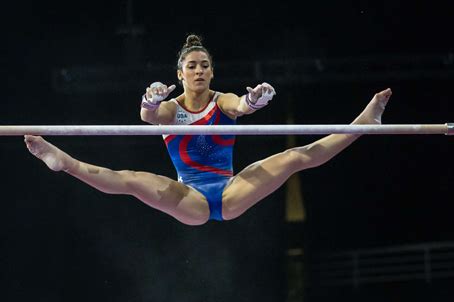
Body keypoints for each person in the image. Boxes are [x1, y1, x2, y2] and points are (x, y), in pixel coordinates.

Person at [24, 34, 392, 226]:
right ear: (180, 74)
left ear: (212, 72)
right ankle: (64, 161)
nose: (199, 71)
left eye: (204, 66)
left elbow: (238, 106)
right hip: (191, 198)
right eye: (192, 66)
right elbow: (149, 118)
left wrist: (253, 102)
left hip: (231, 190)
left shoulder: (222, 99)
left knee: (295, 156)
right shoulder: (171, 107)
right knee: (131, 180)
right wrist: (150, 101)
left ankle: (363, 125)